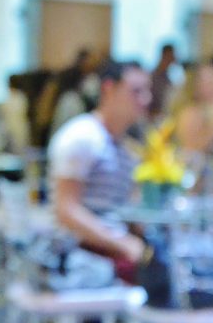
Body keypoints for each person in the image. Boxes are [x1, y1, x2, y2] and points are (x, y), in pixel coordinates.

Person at [48, 60, 151, 279]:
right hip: (84, 261)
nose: (145, 99)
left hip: (112, 258)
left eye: (146, 91)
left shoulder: (124, 146)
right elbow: (66, 210)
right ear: (109, 89)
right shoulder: (82, 137)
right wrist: (124, 244)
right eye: (136, 91)